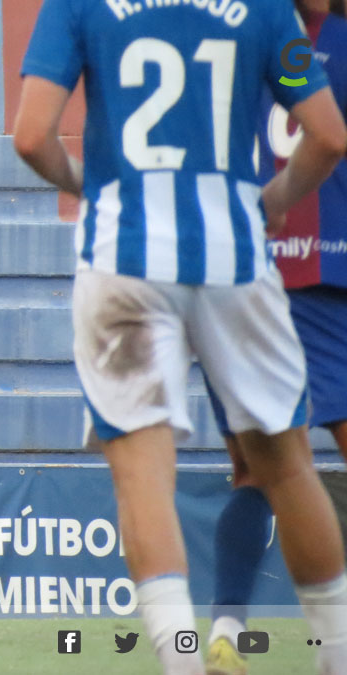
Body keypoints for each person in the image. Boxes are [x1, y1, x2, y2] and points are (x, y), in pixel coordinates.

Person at [13, 1, 347, 672]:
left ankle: (182, 660)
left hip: (124, 259)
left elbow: (30, 137)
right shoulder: (261, 8)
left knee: (143, 476)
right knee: (285, 466)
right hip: (233, 259)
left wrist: (86, 183)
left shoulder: (78, 4)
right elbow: (329, 136)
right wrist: (276, 201)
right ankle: (335, 656)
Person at [206, 1, 347, 672]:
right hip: (318, 271)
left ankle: (227, 626)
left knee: (256, 473)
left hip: (241, 273)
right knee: (260, 471)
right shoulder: (314, 39)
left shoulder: (233, 36)